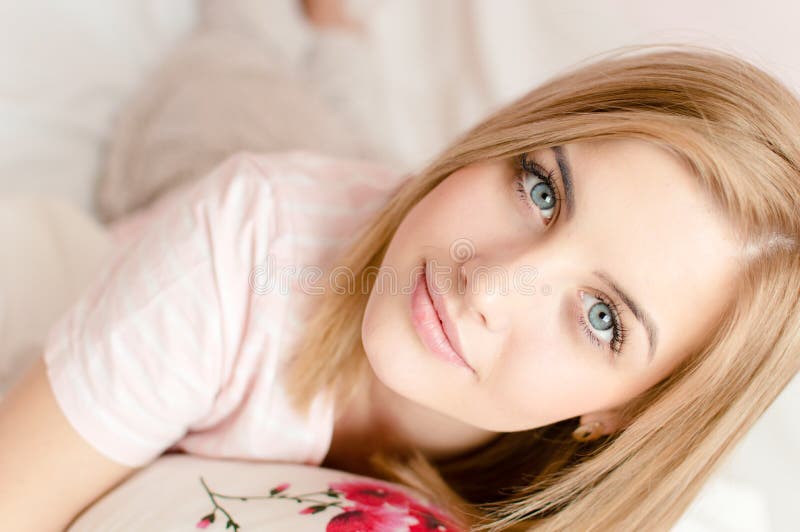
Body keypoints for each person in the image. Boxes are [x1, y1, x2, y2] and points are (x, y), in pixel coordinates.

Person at [1, 44, 799, 532]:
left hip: (376, 193)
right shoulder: (243, 241)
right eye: (541, 188)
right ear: (505, 138)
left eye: (600, 318)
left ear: (626, 413)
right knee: (232, 58)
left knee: (354, 110)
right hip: (227, 138)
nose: (487, 284)